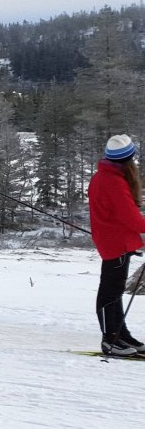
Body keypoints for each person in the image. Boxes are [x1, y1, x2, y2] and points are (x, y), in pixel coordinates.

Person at [88, 134, 145, 356]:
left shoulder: (102, 177)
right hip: (116, 243)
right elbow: (132, 218)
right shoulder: (114, 182)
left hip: (113, 240)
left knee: (115, 290)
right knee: (110, 291)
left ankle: (120, 334)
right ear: (129, 159)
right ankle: (110, 339)